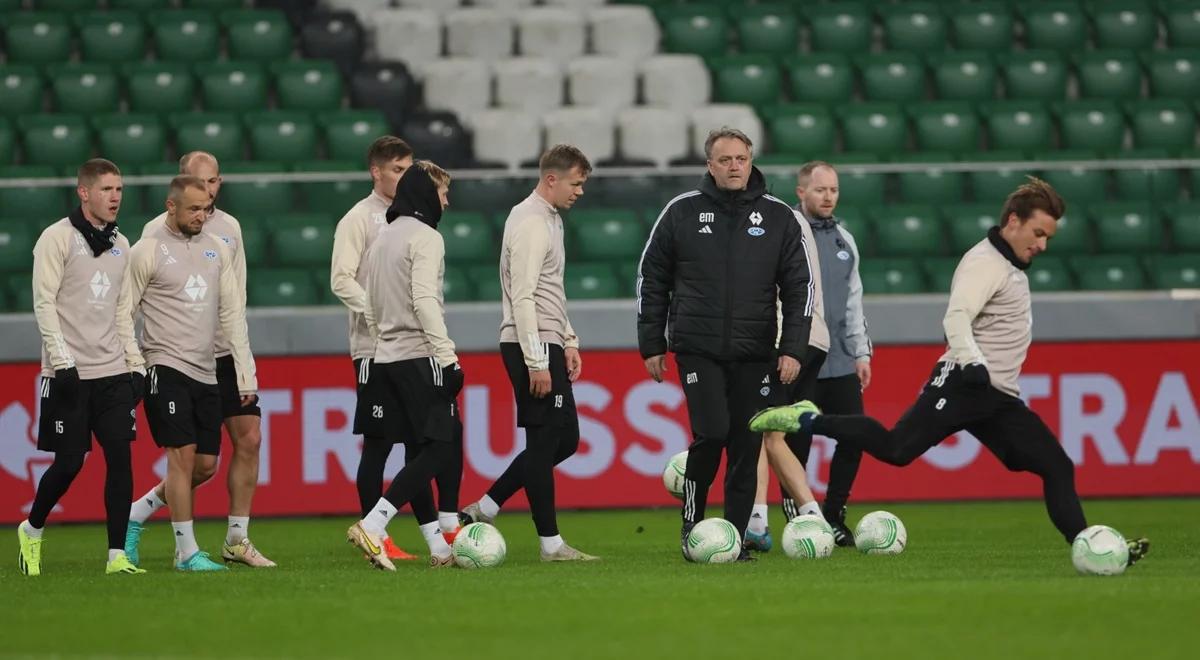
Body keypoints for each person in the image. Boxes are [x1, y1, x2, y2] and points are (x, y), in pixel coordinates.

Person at [749, 177, 1151, 566]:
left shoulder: (1008, 264)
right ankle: (808, 419)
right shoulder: (985, 262)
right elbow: (957, 316)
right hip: (965, 381)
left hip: (998, 395)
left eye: (1048, 237)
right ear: (1014, 221)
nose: (1042, 244)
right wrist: (971, 360)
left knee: (1057, 465)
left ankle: (1090, 545)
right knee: (896, 449)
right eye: (1039, 232)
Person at [636, 127, 814, 561]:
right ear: (709, 165)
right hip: (698, 348)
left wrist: (792, 348)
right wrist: (652, 342)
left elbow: (800, 288)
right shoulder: (681, 211)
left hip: (756, 352)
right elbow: (651, 279)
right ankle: (692, 525)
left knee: (746, 442)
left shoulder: (778, 217)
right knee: (711, 433)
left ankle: (732, 538)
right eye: (725, 160)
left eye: (741, 158)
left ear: (751, 161)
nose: (735, 166)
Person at [124, 152, 275, 568]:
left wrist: (244, 367)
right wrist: (136, 362)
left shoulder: (227, 233)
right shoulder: (153, 237)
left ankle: (234, 538)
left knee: (231, 450)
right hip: (173, 355)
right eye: (196, 185)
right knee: (184, 454)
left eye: (211, 185)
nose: (206, 196)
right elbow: (137, 303)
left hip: (221, 353)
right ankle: (183, 548)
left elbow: (234, 300)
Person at [457, 145, 598, 562]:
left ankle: (485, 506)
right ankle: (550, 544)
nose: (580, 192)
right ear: (551, 179)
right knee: (542, 442)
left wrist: (568, 339)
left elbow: (552, 289)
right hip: (528, 342)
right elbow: (523, 297)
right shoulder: (531, 223)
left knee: (565, 439)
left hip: (547, 338)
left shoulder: (548, 219)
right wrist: (537, 359)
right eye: (575, 183)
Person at [17, 159, 146, 576]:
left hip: (112, 371)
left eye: (120, 190)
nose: (115, 198)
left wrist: (136, 363)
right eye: (107, 189)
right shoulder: (55, 239)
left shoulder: (122, 245)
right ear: (84, 192)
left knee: (121, 461)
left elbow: (123, 310)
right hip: (68, 373)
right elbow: (44, 304)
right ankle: (32, 529)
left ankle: (116, 557)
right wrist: (63, 362)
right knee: (70, 464)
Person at [750, 161, 874, 549]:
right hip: (799, 353)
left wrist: (861, 352)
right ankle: (800, 517)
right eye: (820, 190)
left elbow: (854, 302)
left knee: (855, 434)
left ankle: (834, 513)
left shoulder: (844, 240)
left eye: (834, 190)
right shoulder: (785, 230)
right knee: (790, 441)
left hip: (838, 359)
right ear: (801, 192)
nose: (828, 196)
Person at [345, 161, 462, 571]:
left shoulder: (382, 239)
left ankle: (437, 546)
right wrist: (447, 357)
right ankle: (374, 523)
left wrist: (381, 340)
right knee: (442, 446)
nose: (446, 200)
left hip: (386, 358)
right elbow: (425, 301)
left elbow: (370, 305)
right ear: (427, 194)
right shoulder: (426, 237)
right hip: (419, 354)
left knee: (417, 449)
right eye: (443, 192)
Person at [331, 136, 430, 561]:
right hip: (373, 349)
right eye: (397, 169)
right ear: (376, 172)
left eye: (409, 169)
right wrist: (375, 314)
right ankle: (375, 535)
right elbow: (341, 279)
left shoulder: (408, 218)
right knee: (379, 443)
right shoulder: (358, 219)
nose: (404, 177)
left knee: (417, 443)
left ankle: (425, 536)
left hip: (408, 347)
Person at [745, 198, 831, 552]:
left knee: (763, 431)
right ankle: (806, 515)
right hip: (816, 339)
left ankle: (762, 520)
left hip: (785, 338)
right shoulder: (797, 221)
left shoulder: (767, 221)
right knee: (777, 434)